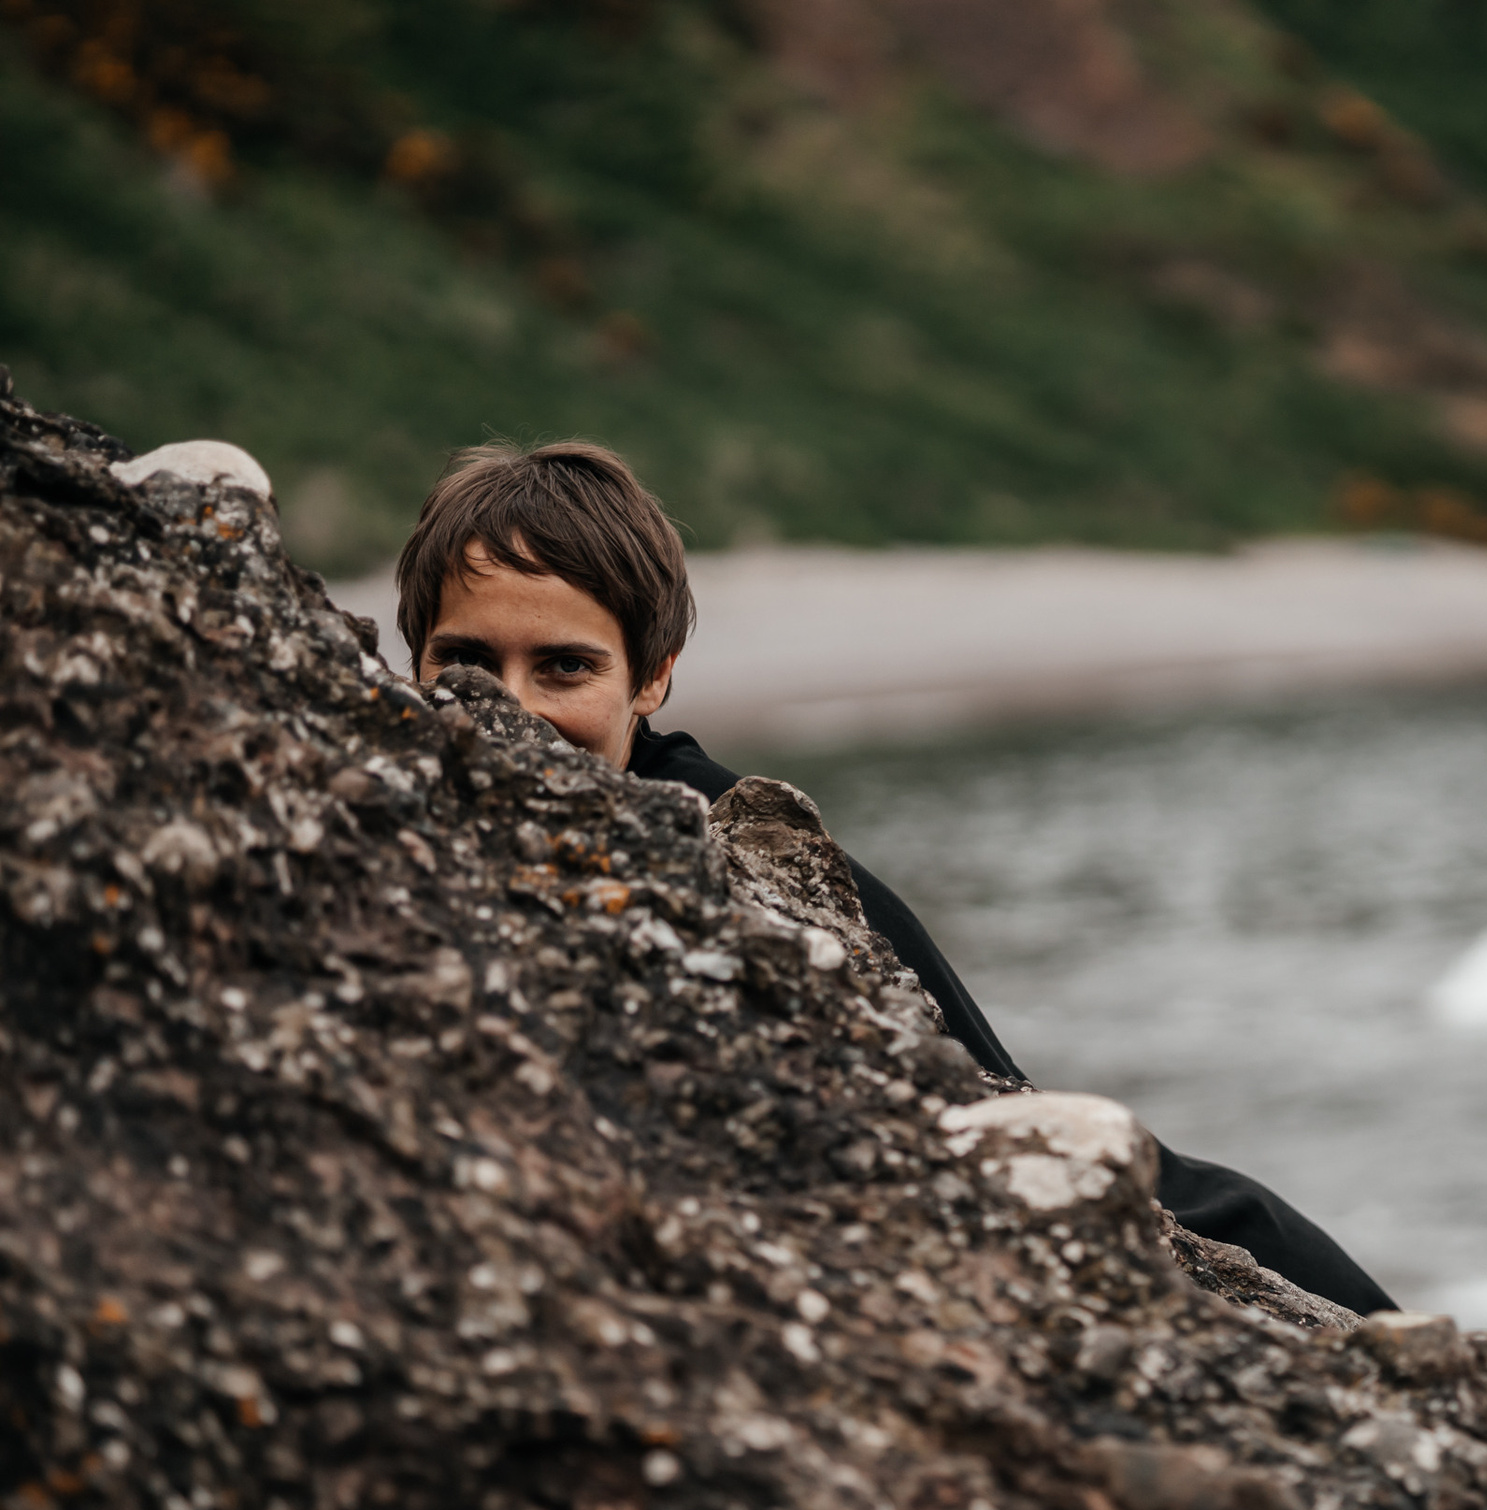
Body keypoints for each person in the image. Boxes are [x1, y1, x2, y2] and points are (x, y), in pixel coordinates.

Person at [391, 440, 1395, 1316]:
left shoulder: (732, 849)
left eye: (564, 667)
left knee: (1149, 1187)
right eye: (466, 658)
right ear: (412, 659)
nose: (505, 705)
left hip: (1038, 1160)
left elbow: (1028, 1136)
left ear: (652, 676)